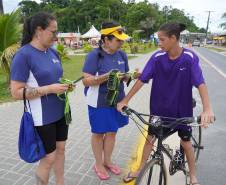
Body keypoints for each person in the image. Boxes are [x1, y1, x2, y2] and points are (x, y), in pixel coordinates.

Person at [117, 22, 215, 185]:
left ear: (173, 38)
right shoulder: (157, 58)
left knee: (186, 142)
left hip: (181, 112)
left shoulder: (189, 58)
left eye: (162, 40)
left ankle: (193, 175)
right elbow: (142, 80)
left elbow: (200, 83)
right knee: (150, 139)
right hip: (159, 110)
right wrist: (125, 100)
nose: (159, 43)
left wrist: (207, 109)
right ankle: (140, 168)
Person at [10, 12, 71, 185]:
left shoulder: (52, 53)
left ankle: (61, 182)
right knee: (49, 158)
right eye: (53, 32)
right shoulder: (23, 55)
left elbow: (56, 77)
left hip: (60, 111)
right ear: (39, 30)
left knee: (61, 149)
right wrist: (49, 89)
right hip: (41, 117)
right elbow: (15, 92)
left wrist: (64, 85)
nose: (56, 36)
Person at [82, 21, 134, 180]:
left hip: (117, 101)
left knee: (112, 132)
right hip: (99, 102)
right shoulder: (94, 55)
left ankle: (108, 161)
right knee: (99, 133)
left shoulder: (122, 55)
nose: (121, 43)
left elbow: (124, 77)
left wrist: (130, 76)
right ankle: (98, 164)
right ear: (105, 40)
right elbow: (86, 81)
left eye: (122, 39)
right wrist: (106, 76)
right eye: (118, 40)